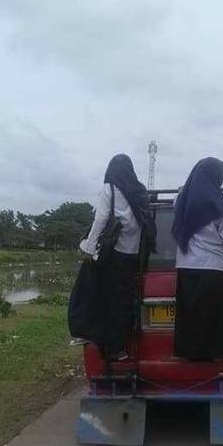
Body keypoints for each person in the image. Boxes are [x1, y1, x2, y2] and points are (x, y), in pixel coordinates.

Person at [79, 154, 155, 361]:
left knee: (109, 300)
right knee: (127, 301)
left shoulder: (110, 189)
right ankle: (127, 344)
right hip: (136, 257)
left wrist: (89, 246)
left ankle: (113, 349)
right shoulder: (140, 191)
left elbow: (101, 219)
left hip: (115, 255)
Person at [171, 157, 223, 360]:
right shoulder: (218, 205)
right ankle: (214, 354)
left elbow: (179, 198)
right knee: (214, 316)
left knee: (190, 313)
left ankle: (190, 354)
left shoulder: (181, 202)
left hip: (186, 266)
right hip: (214, 267)